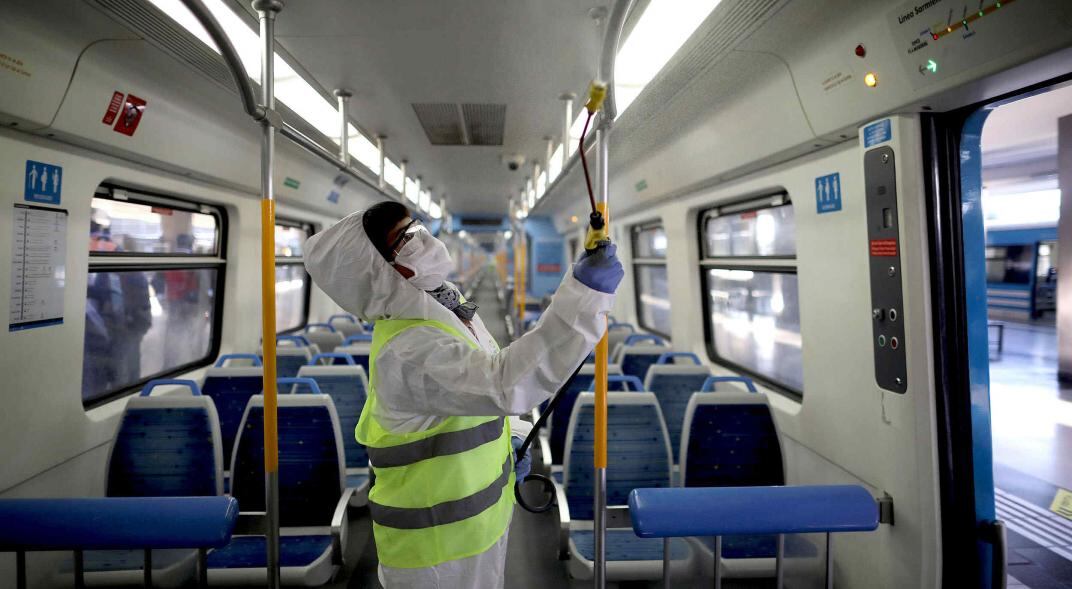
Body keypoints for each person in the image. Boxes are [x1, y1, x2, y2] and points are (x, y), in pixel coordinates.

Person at [304, 201, 623, 588]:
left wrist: (514, 440)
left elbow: (477, 400)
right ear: (380, 273)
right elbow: (503, 383)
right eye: (405, 239)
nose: (421, 239)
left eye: (417, 228)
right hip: (434, 547)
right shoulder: (411, 347)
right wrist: (584, 297)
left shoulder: (446, 310)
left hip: (478, 524)